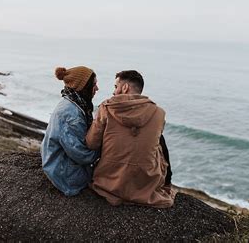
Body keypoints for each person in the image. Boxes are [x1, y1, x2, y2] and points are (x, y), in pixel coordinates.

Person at [85, 70, 176, 208]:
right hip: (145, 183)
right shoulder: (159, 113)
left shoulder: (107, 107)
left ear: (125, 87)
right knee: (158, 144)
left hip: (109, 181)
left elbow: (91, 143)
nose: (114, 92)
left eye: (116, 87)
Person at [41, 66, 100, 196]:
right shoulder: (71, 114)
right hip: (65, 176)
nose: (97, 88)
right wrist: (103, 151)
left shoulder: (72, 102)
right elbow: (81, 155)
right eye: (94, 84)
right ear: (83, 86)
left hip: (57, 164)